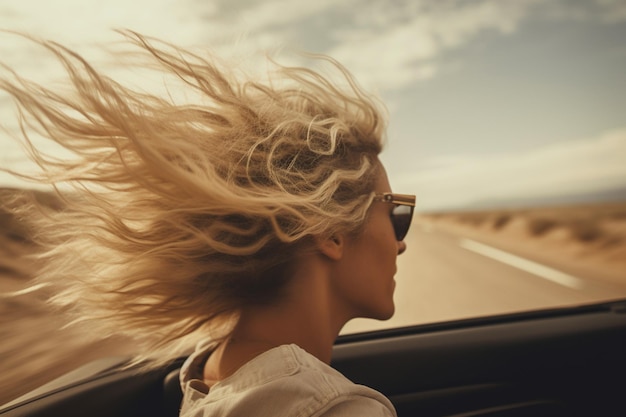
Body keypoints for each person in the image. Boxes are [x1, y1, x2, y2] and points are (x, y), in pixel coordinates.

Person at [0, 31, 415, 416]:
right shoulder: (336, 409)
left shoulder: (209, 375)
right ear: (330, 231)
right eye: (396, 213)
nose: (401, 244)